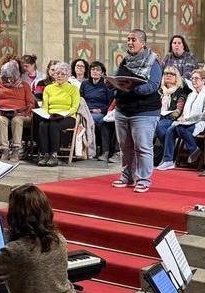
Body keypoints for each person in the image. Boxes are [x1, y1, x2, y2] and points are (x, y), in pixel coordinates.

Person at [111, 29, 165, 192]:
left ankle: (143, 179)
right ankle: (127, 176)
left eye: (133, 39)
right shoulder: (126, 60)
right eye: (128, 39)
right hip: (123, 109)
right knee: (125, 146)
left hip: (144, 111)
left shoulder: (153, 61)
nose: (129, 42)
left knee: (142, 147)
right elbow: (118, 77)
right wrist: (112, 83)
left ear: (142, 42)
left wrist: (133, 89)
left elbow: (153, 85)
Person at [158, 69, 205, 170]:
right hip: (187, 122)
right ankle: (168, 161)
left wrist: (187, 119)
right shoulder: (191, 94)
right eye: (192, 78)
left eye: (196, 79)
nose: (194, 81)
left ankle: (193, 150)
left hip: (201, 123)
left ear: (203, 81)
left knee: (180, 128)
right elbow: (185, 111)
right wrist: (182, 117)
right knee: (170, 130)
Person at [0, 60, 35, 161]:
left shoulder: (25, 85)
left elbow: (31, 103)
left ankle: (16, 150)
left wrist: (24, 112)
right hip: (3, 113)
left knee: (17, 120)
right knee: (0, 120)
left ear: (16, 75)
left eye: (11, 78)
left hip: (21, 114)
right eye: (5, 78)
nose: (8, 81)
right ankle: (4, 150)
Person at [36, 61, 80, 166]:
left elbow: (74, 107)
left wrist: (64, 114)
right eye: (57, 73)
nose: (59, 76)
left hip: (68, 116)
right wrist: (46, 114)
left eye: (63, 74)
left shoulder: (73, 89)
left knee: (54, 126)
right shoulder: (48, 88)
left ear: (68, 76)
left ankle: (54, 155)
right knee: (43, 125)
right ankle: (45, 154)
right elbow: (45, 106)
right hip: (51, 116)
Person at [81, 61, 115, 162]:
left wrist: (101, 110)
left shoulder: (106, 85)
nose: (95, 72)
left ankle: (105, 151)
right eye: (93, 69)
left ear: (103, 73)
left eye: (98, 70)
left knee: (101, 122)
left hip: (101, 112)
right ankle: (86, 150)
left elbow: (110, 103)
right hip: (86, 110)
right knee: (86, 119)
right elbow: (81, 99)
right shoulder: (85, 84)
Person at [154, 66, 189, 159]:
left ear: (177, 77)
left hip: (171, 118)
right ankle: (163, 155)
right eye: (166, 74)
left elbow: (178, 110)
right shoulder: (159, 91)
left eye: (172, 74)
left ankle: (168, 155)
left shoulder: (180, 91)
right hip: (157, 117)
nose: (168, 76)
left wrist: (166, 117)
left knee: (160, 127)